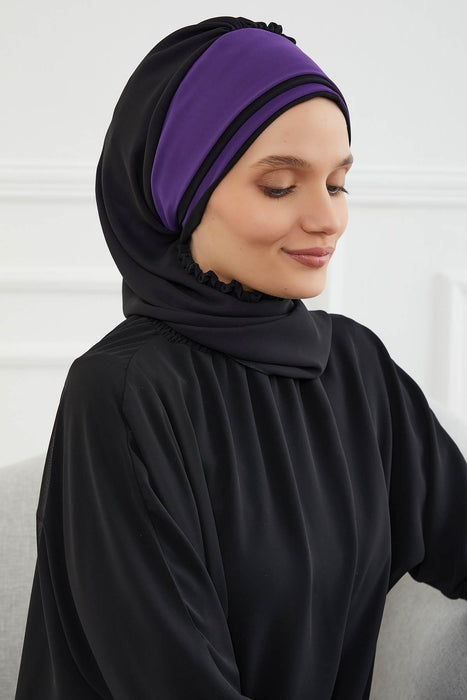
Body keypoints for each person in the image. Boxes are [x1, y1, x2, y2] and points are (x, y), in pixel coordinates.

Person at [15, 15, 467, 700]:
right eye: (280, 185)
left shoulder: (354, 368)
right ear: (181, 195)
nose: (328, 219)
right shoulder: (121, 391)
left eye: (337, 183)